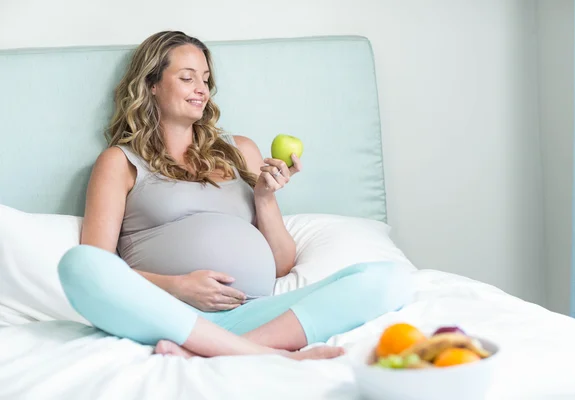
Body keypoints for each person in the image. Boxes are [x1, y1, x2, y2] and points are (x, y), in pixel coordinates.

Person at [57, 30, 414, 361]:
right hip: (168, 315)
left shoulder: (240, 150)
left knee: (390, 278)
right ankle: (262, 354)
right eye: (187, 77)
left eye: (206, 79)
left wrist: (264, 197)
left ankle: (220, 351)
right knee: (78, 265)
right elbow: (102, 265)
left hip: (257, 316)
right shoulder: (120, 162)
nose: (201, 89)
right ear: (151, 84)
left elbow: (282, 265)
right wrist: (178, 286)